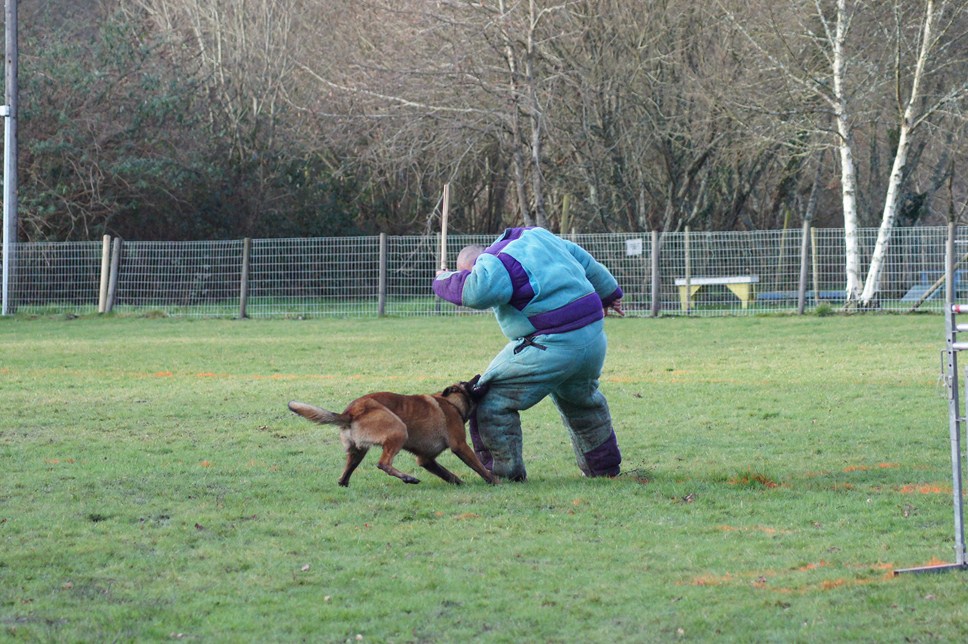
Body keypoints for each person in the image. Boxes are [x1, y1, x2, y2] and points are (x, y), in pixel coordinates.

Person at [433, 226, 624, 481]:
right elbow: (585, 261)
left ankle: (501, 473)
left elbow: (477, 291)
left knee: (489, 398)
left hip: (552, 342)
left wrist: (444, 279)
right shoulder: (540, 236)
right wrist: (610, 294)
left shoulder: (495, 262)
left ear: (472, 267)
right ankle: (603, 470)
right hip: (592, 335)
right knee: (581, 400)